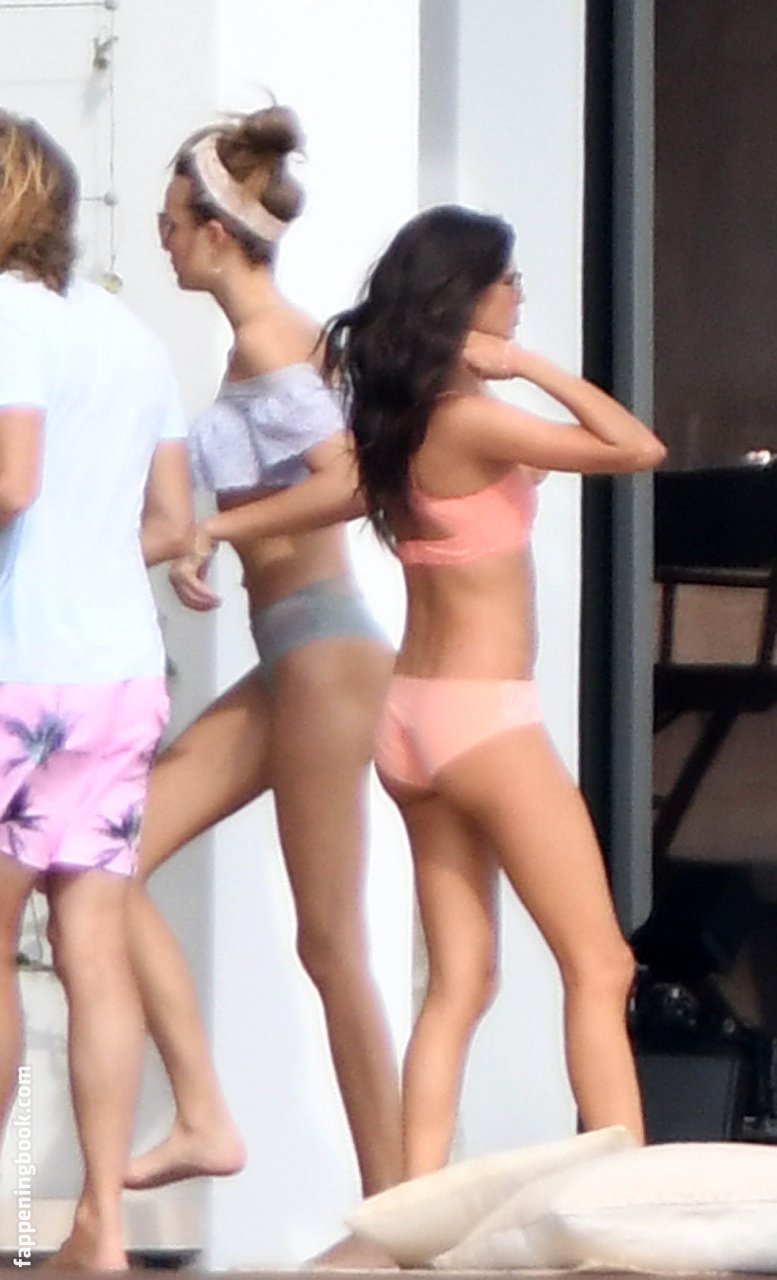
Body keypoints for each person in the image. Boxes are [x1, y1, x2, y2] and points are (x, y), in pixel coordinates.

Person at [323, 204, 666, 1176]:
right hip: (484, 719)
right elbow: (636, 448)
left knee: (458, 984)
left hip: (410, 721)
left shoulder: (400, 419)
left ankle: (407, 1204)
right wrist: (532, 367)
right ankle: (623, 1198)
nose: (518, 296)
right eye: (508, 281)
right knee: (601, 964)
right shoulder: (471, 416)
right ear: (467, 296)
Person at [122, 106, 403, 1228]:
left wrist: (216, 530)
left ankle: (396, 1212)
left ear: (214, 231)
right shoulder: (261, 343)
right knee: (108, 850)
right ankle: (203, 1113)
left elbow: (349, 482)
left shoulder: (276, 341)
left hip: (327, 652)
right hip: (291, 654)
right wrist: (187, 540)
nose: (159, 237)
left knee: (330, 942)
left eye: (169, 220)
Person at [0, 113, 194, 1269]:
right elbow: (169, 520)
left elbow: (11, 478)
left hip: (19, 672)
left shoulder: (4, 318)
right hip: (119, 672)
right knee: (95, 947)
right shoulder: (130, 337)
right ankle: (102, 1228)